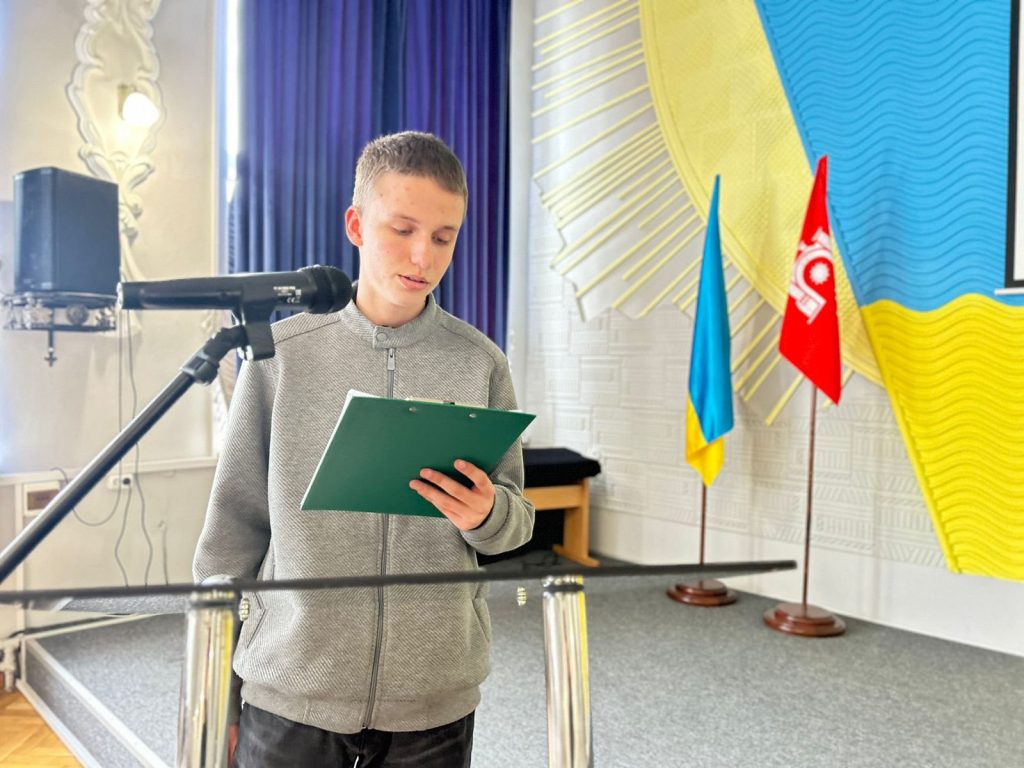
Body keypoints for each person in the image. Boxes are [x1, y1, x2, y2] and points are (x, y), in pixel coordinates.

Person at [193, 131, 535, 767]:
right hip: (291, 688)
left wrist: (488, 513)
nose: (423, 255)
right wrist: (220, 696)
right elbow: (230, 536)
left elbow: (514, 524)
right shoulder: (279, 356)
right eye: (402, 229)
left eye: (444, 237)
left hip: (433, 700)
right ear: (355, 225)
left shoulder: (480, 363)